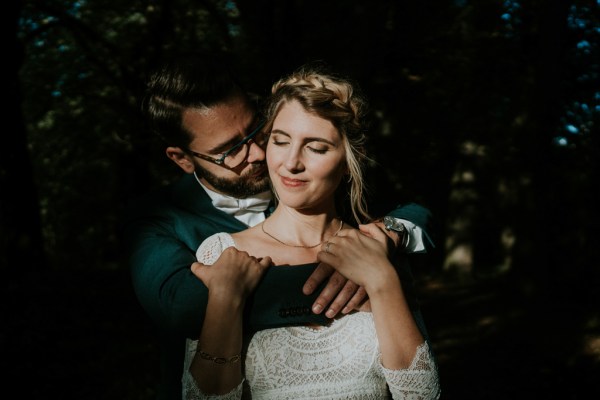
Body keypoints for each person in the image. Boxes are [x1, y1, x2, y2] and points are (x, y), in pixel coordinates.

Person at [122, 51, 434, 399]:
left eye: (257, 131)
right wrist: (363, 278)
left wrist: (389, 237)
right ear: (182, 159)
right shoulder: (157, 219)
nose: (257, 154)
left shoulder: (311, 181)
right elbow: (184, 308)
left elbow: (414, 210)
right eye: (230, 151)